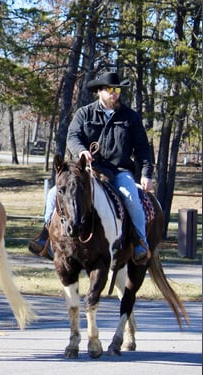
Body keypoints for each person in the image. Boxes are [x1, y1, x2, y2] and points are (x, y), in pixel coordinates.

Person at [28, 71, 155, 264]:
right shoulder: (84, 113)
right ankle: (46, 237)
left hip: (118, 171)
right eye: (110, 89)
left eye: (117, 90)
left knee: (131, 197)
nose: (114, 93)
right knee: (54, 193)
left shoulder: (131, 118)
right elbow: (73, 136)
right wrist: (81, 151)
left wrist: (146, 174)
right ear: (99, 92)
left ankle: (139, 242)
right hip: (87, 169)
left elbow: (143, 150)